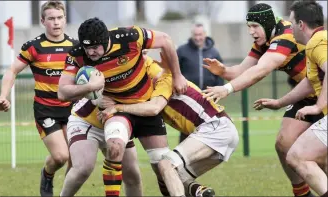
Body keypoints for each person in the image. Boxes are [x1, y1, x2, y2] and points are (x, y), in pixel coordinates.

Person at [58, 17, 188, 197]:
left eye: (95, 47)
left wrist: (178, 75)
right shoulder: (77, 54)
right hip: (91, 118)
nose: (91, 52)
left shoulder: (130, 37)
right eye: (87, 47)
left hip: (122, 113)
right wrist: (91, 87)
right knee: (83, 168)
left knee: (137, 173)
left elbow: (165, 40)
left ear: (105, 40)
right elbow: (62, 92)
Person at [202, 3, 321, 197]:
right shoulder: (264, 40)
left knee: (319, 157)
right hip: (305, 94)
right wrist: (223, 71)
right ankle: (302, 193)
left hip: (322, 92)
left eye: (254, 26)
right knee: (283, 144)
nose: (251, 31)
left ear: (266, 23)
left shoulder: (286, 35)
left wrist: (226, 89)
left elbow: (261, 70)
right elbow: (242, 71)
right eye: (249, 26)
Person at [99, 51, 239, 197]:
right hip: (222, 130)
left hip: (215, 127)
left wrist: (117, 107)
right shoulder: (149, 88)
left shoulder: (164, 80)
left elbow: (154, 108)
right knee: (173, 176)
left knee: (165, 164)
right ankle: (199, 192)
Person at [0, 1, 79, 196]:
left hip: (73, 109)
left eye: (59, 18)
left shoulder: (75, 46)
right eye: (51, 18)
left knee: (76, 158)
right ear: (43, 21)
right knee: (60, 156)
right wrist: (3, 96)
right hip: (46, 109)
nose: (56, 23)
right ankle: (47, 174)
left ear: (65, 19)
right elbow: (12, 70)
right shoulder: (34, 47)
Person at [253, 1, 327, 196]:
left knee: (297, 156)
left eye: (291, 22)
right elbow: (310, 82)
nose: (288, 26)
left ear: (301, 24)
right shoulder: (317, 42)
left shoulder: (318, 42)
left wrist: (318, 107)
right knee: (302, 156)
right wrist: (279, 103)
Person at [177, 23, 224, 143]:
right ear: (192, 35)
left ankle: (206, 154)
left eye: (200, 35)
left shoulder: (214, 52)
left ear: (205, 35)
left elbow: (220, 73)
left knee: (209, 128)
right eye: (195, 35)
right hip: (188, 97)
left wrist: (219, 91)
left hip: (208, 97)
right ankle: (183, 156)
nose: (198, 37)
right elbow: (175, 72)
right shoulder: (182, 51)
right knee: (187, 127)